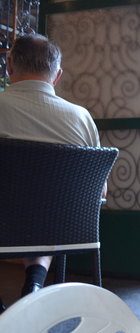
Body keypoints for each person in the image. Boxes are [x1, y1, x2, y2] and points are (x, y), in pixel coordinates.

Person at [0, 33, 101, 309]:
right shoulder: (81, 117)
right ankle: (33, 285)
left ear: (9, 66)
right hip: (61, 228)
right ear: (56, 76)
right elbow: (99, 192)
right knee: (41, 223)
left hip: (5, 224)